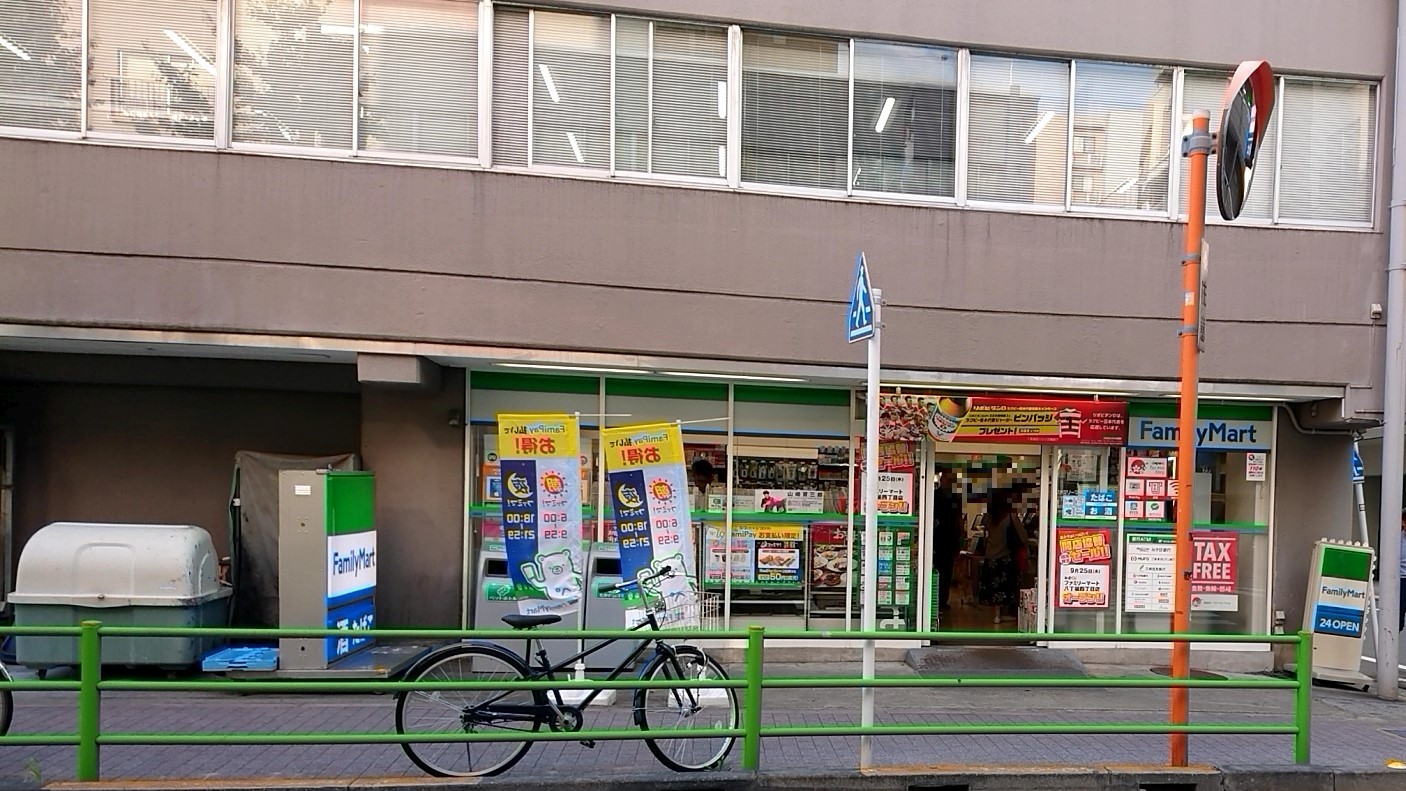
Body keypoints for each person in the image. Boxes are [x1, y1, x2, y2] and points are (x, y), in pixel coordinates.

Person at [980, 488, 1030, 624]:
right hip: (1005, 556)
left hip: (990, 555)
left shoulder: (987, 517)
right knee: (1006, 586)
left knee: (994, 586)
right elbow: (1022, 536)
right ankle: (1003, 614)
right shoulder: (1010, 516)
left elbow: (985, 534)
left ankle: (996, 614)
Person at [931, 466, 963, 613]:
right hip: (938, 538)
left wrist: (960, 535)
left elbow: (958, 518)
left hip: (948, 538)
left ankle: (943, 600)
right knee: (939, 569)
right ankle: (937, 600)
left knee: (946, 571)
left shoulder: (955, 497)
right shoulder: (935, 495)